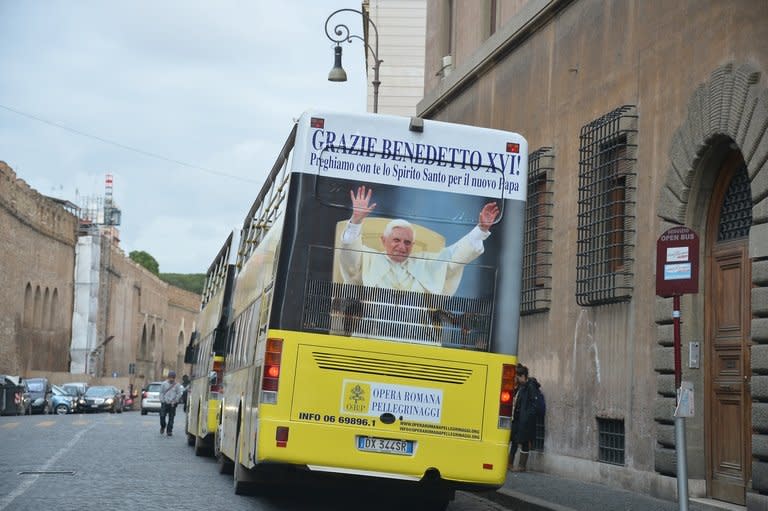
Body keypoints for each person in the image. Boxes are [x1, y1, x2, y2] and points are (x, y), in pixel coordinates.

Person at [338, 185, 500, 295]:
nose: (402, 246)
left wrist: (481, 229)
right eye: (396, 240)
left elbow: (453, 257)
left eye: (407, 242)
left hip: (417, 337)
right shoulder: (368, 258)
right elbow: (350, 261)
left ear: (413, 245)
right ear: (383, 240)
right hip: (371, 333)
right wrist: (356, 221)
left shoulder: (424, 263)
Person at [509, 364, 542, 472]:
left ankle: (522, 466)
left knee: (524, 442)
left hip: (526, 420)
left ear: (523, 376)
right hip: (519, 419)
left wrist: (527, 416)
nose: (517, 380)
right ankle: (510, 463)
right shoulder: (521, 386)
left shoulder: (530, 386)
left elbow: (534, 404)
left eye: (518, 378)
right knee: (514, 439)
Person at [159, 371, 183, 437]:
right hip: (165, 402)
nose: (171, 379)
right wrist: (162, 400)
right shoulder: (164, 384)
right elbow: (161, 393)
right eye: (170, 377)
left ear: (174, 378)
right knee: (162, 416)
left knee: (171, 418)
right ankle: (163, 426)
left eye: (173, 378)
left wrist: (175, 401)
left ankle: (169, 431)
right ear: (168, 377)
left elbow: (179, 394)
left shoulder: (177, 385)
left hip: (172, 403)